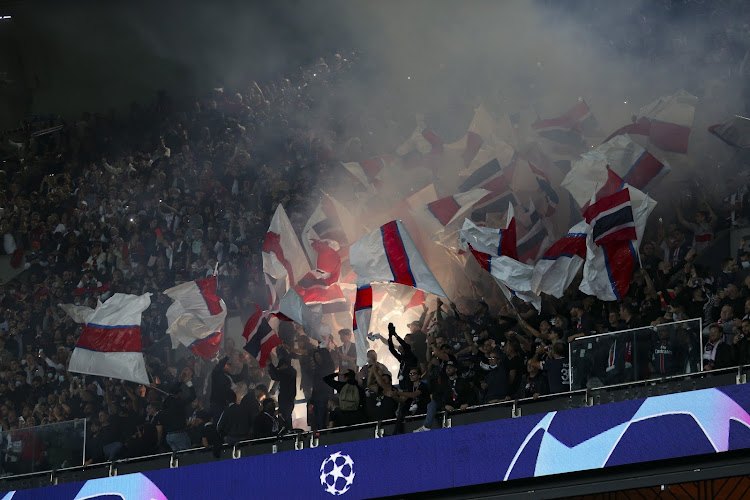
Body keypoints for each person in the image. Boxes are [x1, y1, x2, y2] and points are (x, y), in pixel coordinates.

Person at [413, 359, 474, 432]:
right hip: (447, 405)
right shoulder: (443, 383)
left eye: (450, 367)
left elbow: (471, 394)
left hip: (460, 405)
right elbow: (436, 396)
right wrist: (445, 405)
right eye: (447, 367)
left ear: (455, 369)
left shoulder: (463, 381)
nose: (448, 369)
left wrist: (467, 404)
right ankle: (426, 426)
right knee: (431, 404)